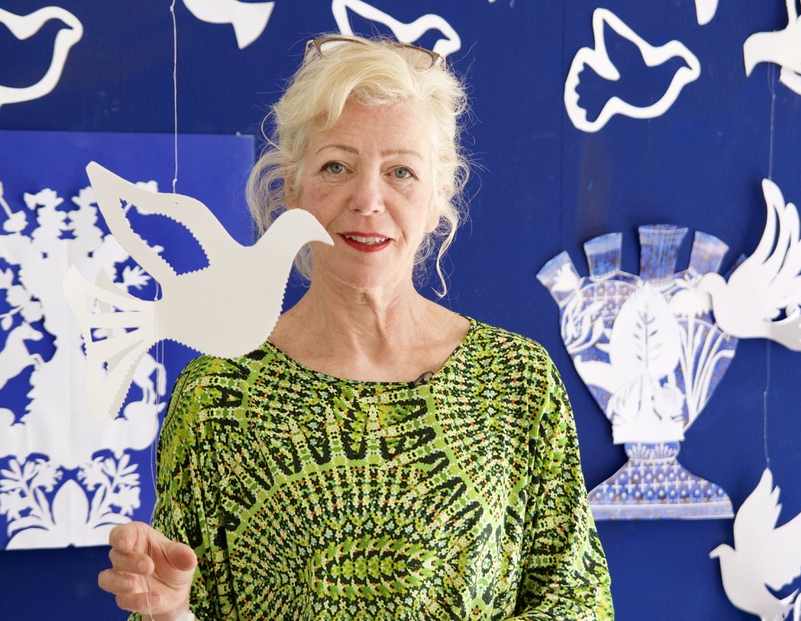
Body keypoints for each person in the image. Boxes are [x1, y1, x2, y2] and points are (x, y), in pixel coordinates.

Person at [98, 34, 613, 620]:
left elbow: (577, 604)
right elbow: (177, 604)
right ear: (292, 187)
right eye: (337, 166)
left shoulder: (516, 381)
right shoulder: (217, 394)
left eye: (401, 171)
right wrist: (169, 613)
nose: (368, 199)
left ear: (438, 196)